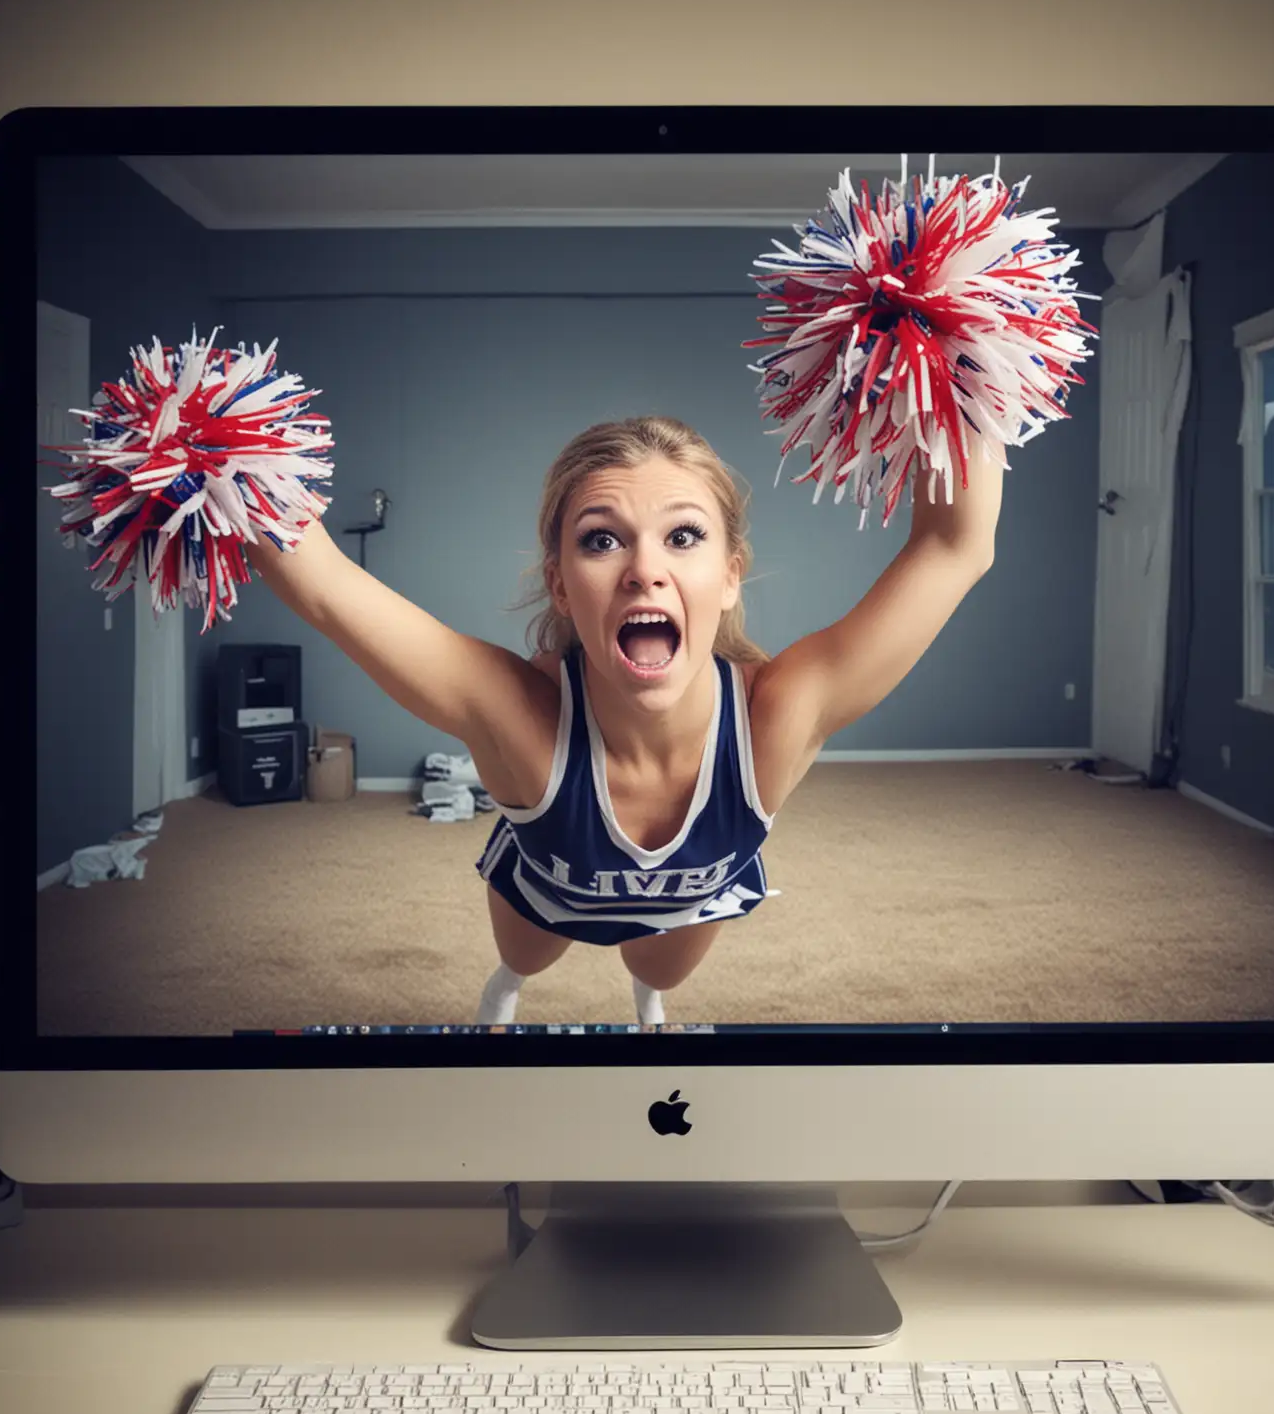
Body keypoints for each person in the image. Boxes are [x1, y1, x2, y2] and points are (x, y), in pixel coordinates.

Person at [248, 414, 1003, 1025]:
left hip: (688, 902)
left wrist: (959, 353)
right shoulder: (519, 717)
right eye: (601, 540)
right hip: (545, 888)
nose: (645, 569)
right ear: (563, 587)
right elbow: (324, 588)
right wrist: (223, 459)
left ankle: (648, 1005)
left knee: (653, 966)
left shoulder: (777, 716)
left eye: (683, 536)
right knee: (526, 960)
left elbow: (952, 545)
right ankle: (504, 989)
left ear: (730, 575)